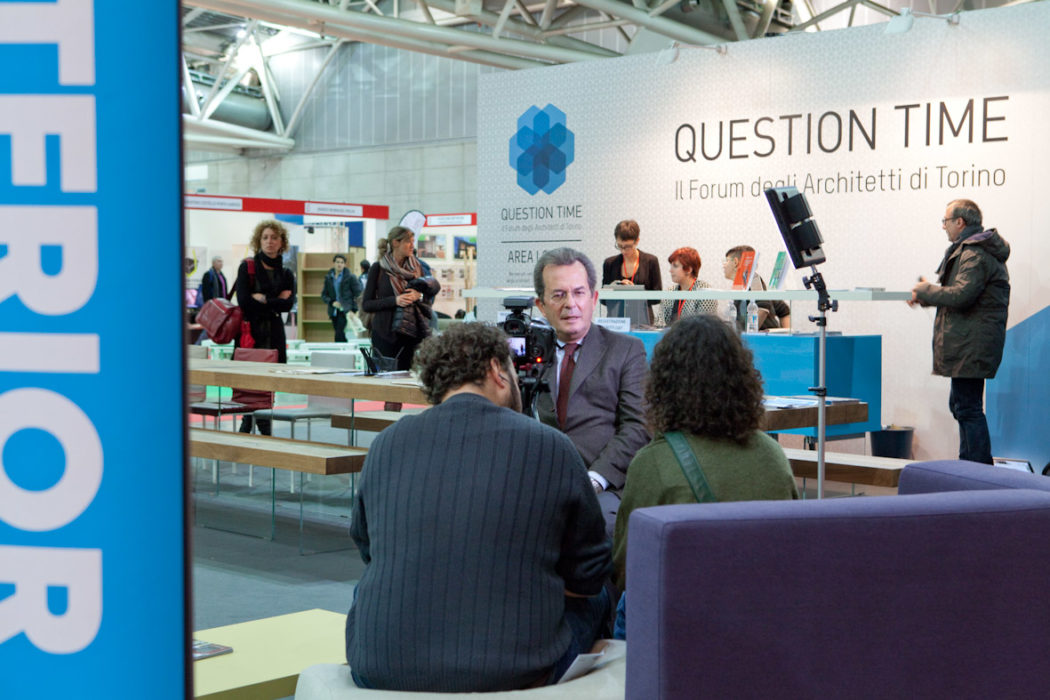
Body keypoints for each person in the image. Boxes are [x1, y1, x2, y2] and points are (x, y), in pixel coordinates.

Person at [345, 323, 612, 692]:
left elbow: (369, 550)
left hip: (377, 665)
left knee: (371, 585)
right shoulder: (550, 445)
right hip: (515, 670)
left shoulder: (386, 443)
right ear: (496, 370)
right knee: (599, 597)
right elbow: (589, 573)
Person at [612, 314, 798, 592]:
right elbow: (793, 546)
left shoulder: (653, 463)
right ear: (742, 379)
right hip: (765, 605)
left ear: (664, 384)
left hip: (684, 609)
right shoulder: (772, 455)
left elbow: (626, 570)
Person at [533, 247, 650, 536]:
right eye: (558, 295)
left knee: (596, 527)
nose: (570, 304)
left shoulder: (626, 350)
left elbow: (638, 427)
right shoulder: (526, 353)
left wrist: (596, 479)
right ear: (541, 305)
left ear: (594, 299)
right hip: (536, 480)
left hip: (602, 483)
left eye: (578, 293)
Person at [909, 199, 1010, 464]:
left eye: (945, 221)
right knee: (962, 406)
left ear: (960, 222)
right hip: (970, 343)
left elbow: (962, 295)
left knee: (967, 408)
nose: (943, 226)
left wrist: (926, 291)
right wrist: (926, 296)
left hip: (971, 345)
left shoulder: (975, 254)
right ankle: (970, 466)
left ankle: (977, 469)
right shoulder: (972, 251)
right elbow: (960, 294)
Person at [235, 219, 296, 435]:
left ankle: (253, 422)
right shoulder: (247, 267)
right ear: (259, 241)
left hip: (274, 333)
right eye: (265, 237)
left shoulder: (286, 274)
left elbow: (287, 304)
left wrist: (263, 298)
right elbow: (244, 301)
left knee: (270, 379)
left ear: (282, 242)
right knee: (250, 380)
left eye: (274, 238)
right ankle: (256, 422)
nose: (269, 241)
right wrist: (275, 301)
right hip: (250, 333)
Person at [360, 227, 439, 370]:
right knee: (384, 378)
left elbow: (428, 300)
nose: (412, 245)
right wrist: (395, 301)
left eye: (413, 241)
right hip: (384, 335)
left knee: (407, 378)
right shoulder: (378, 268)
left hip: (411, 335)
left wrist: (419, 296)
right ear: (395, 243)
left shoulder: (417, 268)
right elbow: (367, 304)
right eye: (408, 242)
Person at [601, 220, 662, 324]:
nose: (623, 251)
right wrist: (613, 288)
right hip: (616, 322)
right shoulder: (610, 263)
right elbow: (603, 300)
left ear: (637, 241)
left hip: (643, 322)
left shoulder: (650, 261)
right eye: (619, 246)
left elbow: (657, 297)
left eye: (628, 247)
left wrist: (636, 292)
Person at [723, 245, 791, 331]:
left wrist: (747, 334)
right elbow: (781, 308)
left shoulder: (754, 280)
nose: (723, 265)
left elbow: (763, 307)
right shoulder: (742, 286)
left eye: (727, 261)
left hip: (759, 338)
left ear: (735, 262)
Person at [661, 246, 717, 325]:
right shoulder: (670, 291)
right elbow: (659, 323)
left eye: (675, 266)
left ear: (688, 269)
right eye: (671, 266)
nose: (670, 270)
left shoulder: (705, 291)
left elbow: (705, 326)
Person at [321, 253, 362, 342]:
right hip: (333, 311)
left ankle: (339, 349)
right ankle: (345, 349)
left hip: (346, 311)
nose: (339, 264)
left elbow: (358, 295)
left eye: (342, 262)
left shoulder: (350, 277)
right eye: (337, 262)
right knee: (340, 334)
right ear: (334, 263)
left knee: (339, 334)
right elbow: (324, 295)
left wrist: (354, 309)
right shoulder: (329, 278)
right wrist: (332, 302)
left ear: (344, 264)